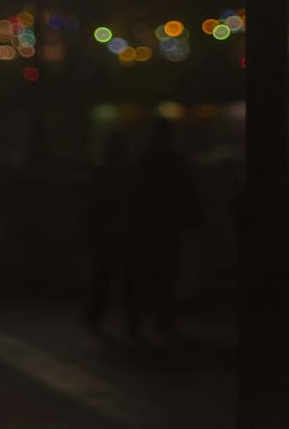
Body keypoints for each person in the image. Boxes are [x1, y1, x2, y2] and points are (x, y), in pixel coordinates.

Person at [134, 117, 203, 337]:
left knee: (152, 272)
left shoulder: (146, 161)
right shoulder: (177, 162)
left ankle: (155, 316)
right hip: (170, 224)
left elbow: (136, 193)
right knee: (168, 270)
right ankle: (165, 317)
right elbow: (191, 193)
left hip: (150, 224)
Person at [84, 127, 142, 337]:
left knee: (104, 277)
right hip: (127, 231)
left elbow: (93, 206)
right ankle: (133, 323)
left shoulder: (103, 172)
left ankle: (94, 317)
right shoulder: (130, 172)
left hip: (109, 232)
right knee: (129, 281)